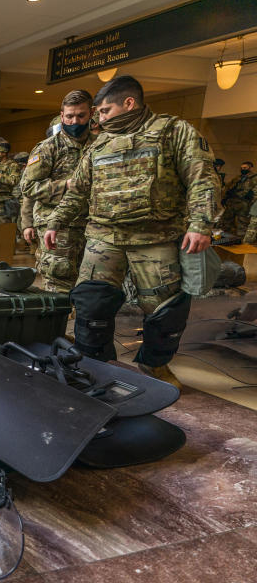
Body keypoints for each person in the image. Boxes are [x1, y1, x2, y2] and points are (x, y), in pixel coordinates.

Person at [44, 75, 220, 387]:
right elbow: (79, 190)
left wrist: (201, 224)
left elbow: (202, 178)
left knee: (164, 309)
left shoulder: (173, 131)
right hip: (104, 236)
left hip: (156, 237)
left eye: (104, 111)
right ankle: (93, 362)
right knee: (90, 301)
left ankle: (156, 365)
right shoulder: (100, 143)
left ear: (129, 103)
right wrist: (56, 220)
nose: (99, 118)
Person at [20, 89, 96, 293]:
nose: (74, 121)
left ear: (91, 114)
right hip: (57, 227)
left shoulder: (99, 145)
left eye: (81, 115)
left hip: (93, 224)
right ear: (62, 115)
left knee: (90, 284)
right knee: (59, 282)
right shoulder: (47, 148)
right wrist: (66, 186)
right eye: (69, 116)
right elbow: (27, 187)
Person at [217, 161, 255, 236]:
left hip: (244, 204)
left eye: (245, 168)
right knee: (226, 223)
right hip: (232, 203)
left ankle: (242, 243)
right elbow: (228, 187)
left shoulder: (254, 178)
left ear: (250, 168)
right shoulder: (237, 178)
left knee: (242, 224)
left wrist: (251, 203)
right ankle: (227, 239)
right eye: (241, 168)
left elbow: (255, 193)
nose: (243, 169)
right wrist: (225, 198)